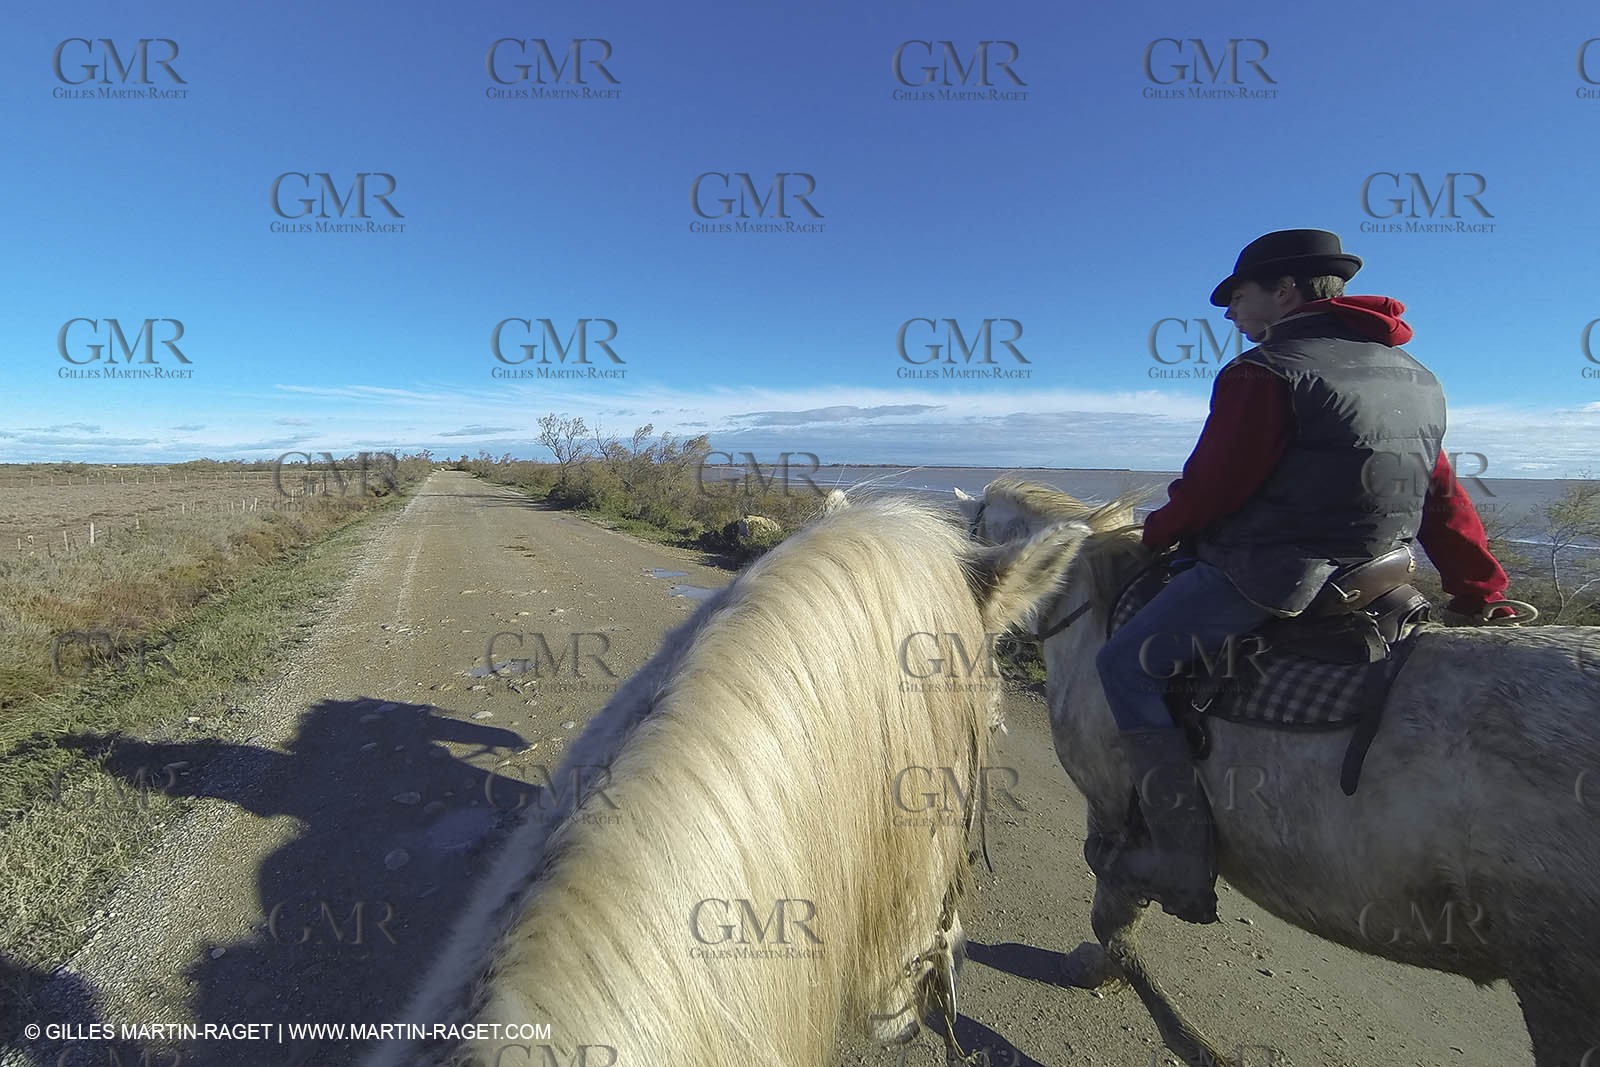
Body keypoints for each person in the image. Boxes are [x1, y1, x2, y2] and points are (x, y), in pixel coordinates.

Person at [1088, 228, 1519, 925]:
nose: (1230, 313)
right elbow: (1441, 497)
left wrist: (1158, 534)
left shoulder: (1267, 370)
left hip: (1275, 578)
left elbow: (1211, 490)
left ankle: (1178, 855)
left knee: (1124, 665)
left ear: (1284, 291)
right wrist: (1480, 589)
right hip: (1384, 576)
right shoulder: (1416, 378)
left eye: (1239, 296)